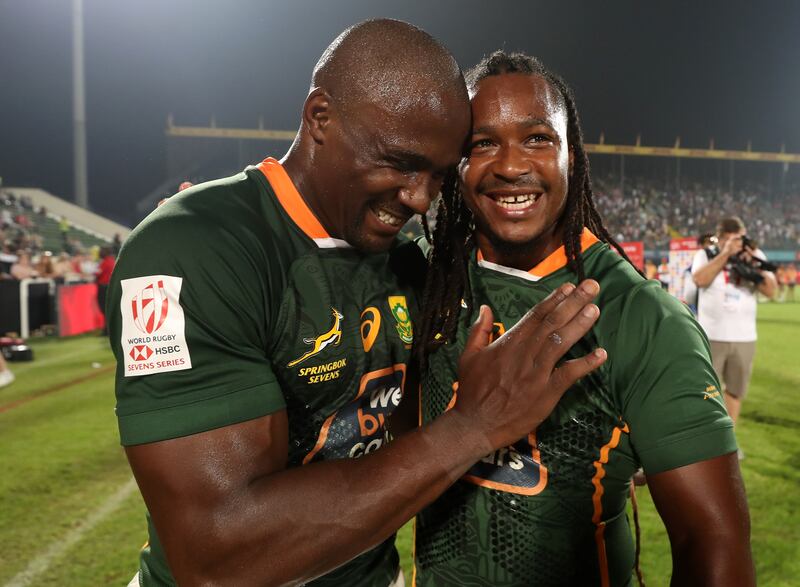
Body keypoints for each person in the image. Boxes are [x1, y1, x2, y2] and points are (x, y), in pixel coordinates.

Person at [109, 22, 606, 587]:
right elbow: (217, 555)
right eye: (400, 161)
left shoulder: (408, 264)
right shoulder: (193, 249)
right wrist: (473, 426)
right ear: (320, 118)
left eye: (439, 175)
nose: (420, 198)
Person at [412, 52, 754, 586]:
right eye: (482, 143)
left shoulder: (642, 316)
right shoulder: (424, 281)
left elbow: (712, 543)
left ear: (573, 154)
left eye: (537, 138)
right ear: (455, 163)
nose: (510, 165)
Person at [691, 217, 777, 428]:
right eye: (729, 240)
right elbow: (700, 279)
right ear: (720, 239)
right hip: (711, 335)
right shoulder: (706, 254)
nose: (735, 244)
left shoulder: (753, 255)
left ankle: (729, 439)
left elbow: (771, 290)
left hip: (744, 337)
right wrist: (726, 253)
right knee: (707, 391)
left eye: (738, 239)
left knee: (735, 391)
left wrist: (753, 262)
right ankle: (707, 438)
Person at [95, 247, 115, 334]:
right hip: (110, 286)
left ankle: (106, 330)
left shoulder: (104, 262)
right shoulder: (113, 261)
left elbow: (98, 273)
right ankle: (108, 329)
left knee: (104, 308)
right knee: (108, 308)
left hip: (103, 287)